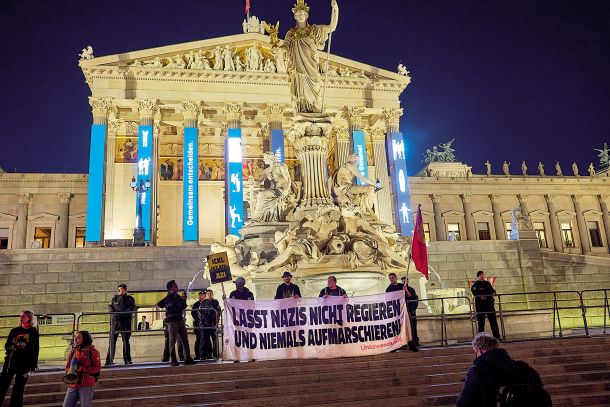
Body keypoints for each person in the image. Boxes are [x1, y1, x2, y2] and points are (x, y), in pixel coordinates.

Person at [456, 333, 551, 407]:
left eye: (475, 352)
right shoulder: (523, 367)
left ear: (478, 350)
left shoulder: (477, 371)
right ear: (496, 347)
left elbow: (464, 404)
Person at [0, 310, 39, 407]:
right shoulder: (14, 331)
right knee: (2, 386)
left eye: (24, 316)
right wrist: (17, 347)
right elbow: (7, 346)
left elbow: (35, 350)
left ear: (29, 318)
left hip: (24, 366)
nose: (21, 318)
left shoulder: (33, 332)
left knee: (18, 389)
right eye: (20, 316)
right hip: (10, 363)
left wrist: (32, 366)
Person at [157, 280, 195, 366]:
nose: (177, 288)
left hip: (179, 320)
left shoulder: (177, 296)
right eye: (175, 286)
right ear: (170, 288)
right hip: (172, 321)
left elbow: (182, 306)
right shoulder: (169, 298)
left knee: (185, 340)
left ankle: (187, 357)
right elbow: (162, 304)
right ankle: (173, 360)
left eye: (177, 286)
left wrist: (183, 299)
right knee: (172, 341)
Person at [62, 331, 101, 407]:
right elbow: (67, 366)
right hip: (73, 384)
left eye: (79, 338)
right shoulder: (73, 352)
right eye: (75, 338)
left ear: (85, 339)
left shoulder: (93, 352)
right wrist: (70, 371)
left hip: (87, 383)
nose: (76, 339)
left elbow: (97, 368)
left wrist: (83, 370)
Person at [385, 274, 418, 352]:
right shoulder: (389, 289)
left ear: (396, 278)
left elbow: (411, 297)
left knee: (408, 327)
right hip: (395, 312)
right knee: (395, 329)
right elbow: (388, 300)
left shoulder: (402, 286)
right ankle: (394, 346)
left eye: (392, 278)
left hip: (405, 310)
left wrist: (405, 290)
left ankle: (411, 345)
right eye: (390, 278)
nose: (391, 279)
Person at [105, 284, 136, 366]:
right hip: (115, 323)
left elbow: (132, 308)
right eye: (119, 290)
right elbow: (110, 307)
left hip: (125, 323)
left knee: (126, 342)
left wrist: (122, 313)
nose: (120, 291)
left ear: (125, 290)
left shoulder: (130, 299)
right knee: (112, 342)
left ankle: (127, 360)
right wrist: (116, 314)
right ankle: (109, 361)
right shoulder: (114, 298)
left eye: (122, 289)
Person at [471, 271, 501, 339]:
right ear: (478, 276)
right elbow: (475, 293)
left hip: (489, 304)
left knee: (493, 321)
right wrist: (481, 297)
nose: (482, 276)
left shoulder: (487, 283)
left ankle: (497, 337)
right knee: (481, 322)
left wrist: (493, 293)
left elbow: (492, 291)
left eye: (483, 274)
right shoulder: (475, 285)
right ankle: (480, 338)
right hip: (480, 306)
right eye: (481, 274)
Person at [198, 289, 221, 360]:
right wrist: (204, 321)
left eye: (211, 293)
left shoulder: (215, 302)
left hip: (213, 323)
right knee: (205, 340)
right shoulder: (203, 302)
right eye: (208, 294)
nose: (209, 295)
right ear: (206, 295)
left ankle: (215, 354)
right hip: (205, 323)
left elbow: (218, 311)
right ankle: (204, 355)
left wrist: (216, 321)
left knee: (215, 339)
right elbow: (201, 313)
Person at [401, 277, 420, 347]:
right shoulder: (400, 289)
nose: (404, 282)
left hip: (411, 311)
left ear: (407, 281)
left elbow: (413, 298)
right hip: (403, 312)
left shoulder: (411, 289)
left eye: (405, 281)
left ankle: (415, 341)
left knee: (413, 327)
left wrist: (406, 291)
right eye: (402, 281)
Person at [191, 291, 206, 360]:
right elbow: (193, 313)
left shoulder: (207, 303)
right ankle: (198, 355)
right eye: (200, 295)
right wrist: (198, 320)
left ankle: (205, 354)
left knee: (206, 340)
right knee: (199, 339)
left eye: (203, 295)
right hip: (198, 324)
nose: (201, 296)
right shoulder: (196, 304)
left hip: (205, 324)